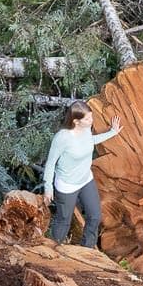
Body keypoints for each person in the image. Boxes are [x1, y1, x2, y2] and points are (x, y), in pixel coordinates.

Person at [42, 100, 122, 248]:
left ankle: (87, 250)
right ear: (76, 121)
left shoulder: (86, 130)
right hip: (67, 185)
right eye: (87, 119)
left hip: (86, 180)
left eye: (91, 117)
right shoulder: (62, 138)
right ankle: (53, 250)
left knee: (95, 216)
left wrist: (112, 132)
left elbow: (90, 141)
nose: (91, 121)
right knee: (64, 220)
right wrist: (48, 188)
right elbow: (50, 163)